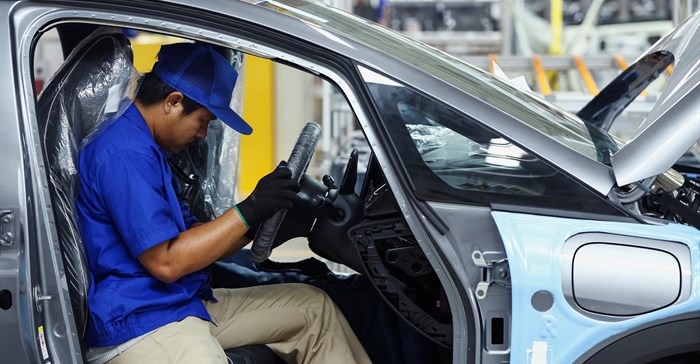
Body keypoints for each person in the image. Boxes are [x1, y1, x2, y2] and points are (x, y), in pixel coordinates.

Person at [76, 42, 371, 364]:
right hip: (140, 321)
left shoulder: (149, 149)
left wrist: (255, 224)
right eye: (203, 121)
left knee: (314, 310)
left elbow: (193, 240)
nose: (203, 134)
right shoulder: (126, 154)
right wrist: (250, 209)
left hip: (178, 302)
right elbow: (167, 263)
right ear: (173, 102)